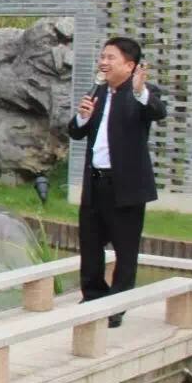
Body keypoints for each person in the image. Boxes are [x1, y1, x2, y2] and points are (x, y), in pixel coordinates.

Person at [70, 37, 167, 328]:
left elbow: (158, 111)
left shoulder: (141, 93)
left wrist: (139, 91)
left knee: (125, 249)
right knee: (90, 244)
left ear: (130, 65)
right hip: (95, 183)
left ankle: (116, 306)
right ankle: (92, 297)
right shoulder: (97, 92)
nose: (103, 62)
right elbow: (75, 132)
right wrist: (82, 117)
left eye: (111, 57)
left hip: (125, 185)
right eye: (102, 57)